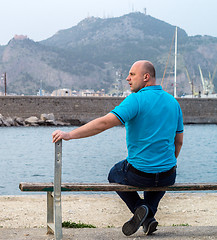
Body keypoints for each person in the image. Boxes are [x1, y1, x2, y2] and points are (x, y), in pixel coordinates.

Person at [52, 60, 184, 236]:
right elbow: (179, 142)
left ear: (146, 77)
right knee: (160, 176)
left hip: (139, 174)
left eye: (132, 74)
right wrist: (170, 164)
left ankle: (140, 208)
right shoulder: (173, 103)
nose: (128, 78)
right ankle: (149, 217)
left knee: (115, 173)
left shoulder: (136, 100)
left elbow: (104, 123)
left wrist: (70, 135)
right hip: (168, 174)